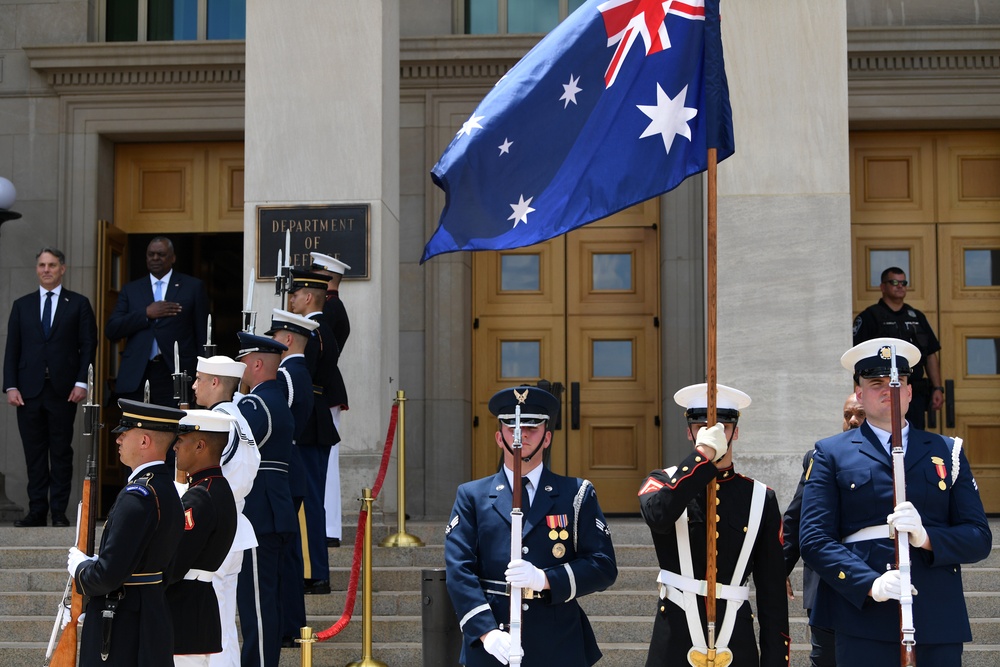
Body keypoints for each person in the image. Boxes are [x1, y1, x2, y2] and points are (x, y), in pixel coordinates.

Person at [799, 337, 992, 665]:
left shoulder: (947, 451)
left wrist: (928, 537)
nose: (889, 390)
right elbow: (814, 540)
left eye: (897, 382)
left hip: (935, 615)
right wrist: (869, 583)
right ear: (860, 393)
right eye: (876, 384)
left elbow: (978, 538)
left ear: (911, 391)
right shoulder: (831, 452)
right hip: (862, 615)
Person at [444, 385, 617, 667]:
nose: (520, 435)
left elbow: (603, 566)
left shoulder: (576, 493)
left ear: (547, 438)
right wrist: (486, 632)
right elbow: (459, 570)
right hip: (494, 642)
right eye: (511, 427)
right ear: (499, 437)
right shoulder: (472, 496)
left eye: (531, 428)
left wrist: (546, 579)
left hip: (557, 642)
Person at [638, 383, 789, 666]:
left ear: (736, 432)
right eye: (702, 426)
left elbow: (772, 595)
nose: (714, 433)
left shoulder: (760, 497)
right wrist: (703, 455)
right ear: (689, 432)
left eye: (722, 426)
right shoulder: (661, 481)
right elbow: (659, 517)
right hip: (676, 634)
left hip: (736, 637)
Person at [67, 399, 186, 667]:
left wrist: (82, 570)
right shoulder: (166, 491)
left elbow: (107, 574)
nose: (118, 440)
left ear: (144, 441)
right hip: (150, 614)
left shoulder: (138, 497)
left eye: (125, 433)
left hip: (122, 623)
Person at [4, 247, 97, 527]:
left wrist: (82, 382)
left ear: (62, 269)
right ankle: (36, 511)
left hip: (63, 391)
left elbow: (88, 345)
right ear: (37, 269)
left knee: (60, 452)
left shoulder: (78, 304)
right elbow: (13, 349)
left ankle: (58, 512)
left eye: (52, 265)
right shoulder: (22, 305)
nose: (46, 270)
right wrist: (10, 386)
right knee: (33, 454)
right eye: (42, 265)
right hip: (28, 392)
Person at [782, 391, 864, 667]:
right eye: (847, 415)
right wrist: (780, 568)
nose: (852, 421)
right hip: (824, 586)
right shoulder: (819, 456)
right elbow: (796, 517)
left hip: (870, 580)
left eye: (860, 415)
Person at [233, 332, 298, 667]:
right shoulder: (278, 399)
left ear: (257, 364)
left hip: (259, 513)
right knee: (267, 602)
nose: (239, 369)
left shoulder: (256, 404)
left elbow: (230, 449)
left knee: (256, 604)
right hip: (273, 511)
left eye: (242, 362)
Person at [191, 355, 260, 667]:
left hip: (214, 527)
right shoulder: (241, 419)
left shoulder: (218, 423)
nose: (194, 385)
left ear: (215, 382)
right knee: (224, 619)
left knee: (211, 621)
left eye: (199, 379)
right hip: (233, 523)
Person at [166, 409, 238, 666]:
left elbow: (173, 565)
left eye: (181, 441)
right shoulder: (216, 487)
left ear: (200, 445)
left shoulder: (199, 496)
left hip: (183, 610)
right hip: (196, 606)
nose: (174, 447)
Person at [264, 308, 318, 644]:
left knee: (283, 556)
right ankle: (292, 624)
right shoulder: (299, 372)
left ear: (285, 339)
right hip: (292, 469)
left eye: (272, 338)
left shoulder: (286, 376)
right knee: (289, 554)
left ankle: (285, 626)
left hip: (282, 470)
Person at [106, 236, 208, 407]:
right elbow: (112, 329)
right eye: (150, 254)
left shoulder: (192, 287)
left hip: (175, 372)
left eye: (160, 254)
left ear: (172, 257)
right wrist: (146, 313)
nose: (155, 258)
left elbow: (202, 335)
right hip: (138, 372)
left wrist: (203, 375)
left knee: (172, 429)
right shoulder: (131, 290)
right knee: (137, 429)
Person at [286, 270, 340, 582]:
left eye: (295, 294)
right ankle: (314, 570)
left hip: (309, 424)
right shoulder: (321, 330)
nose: (291, 298)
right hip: (315, 422)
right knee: (310, 501)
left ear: (308, 297)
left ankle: (312, 572)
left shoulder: (313, 331)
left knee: (307, 503)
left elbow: (301, 381)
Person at [853, 266, 943, 428]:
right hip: (881, 389)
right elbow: (858, 356)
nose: (900, 286)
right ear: (883, 287)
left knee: (913, 439)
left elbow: (930, 354)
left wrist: (938, 388)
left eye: (903, 282)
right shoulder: (869, 317)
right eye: (894, 282)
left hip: (913, 391)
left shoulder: (916, 317)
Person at [310, 252, 350, 549]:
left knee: (328, 462)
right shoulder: (333, 307)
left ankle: (329, 527)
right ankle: (327, 526)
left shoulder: (331, 310)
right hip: (326, 389)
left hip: (324, 390)